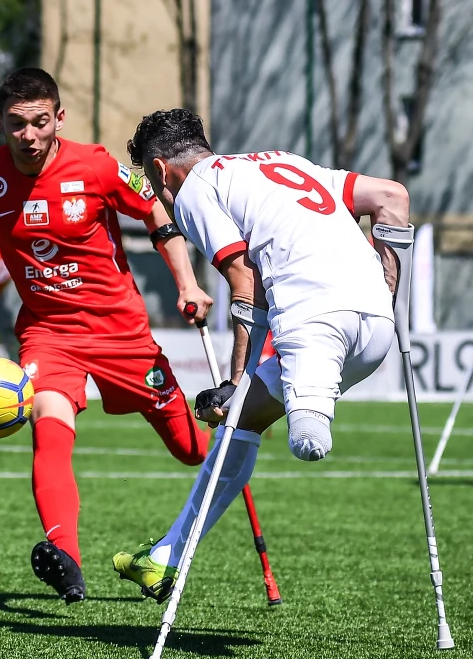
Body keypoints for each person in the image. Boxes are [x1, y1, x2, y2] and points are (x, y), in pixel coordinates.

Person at [0, 69, 214, 603]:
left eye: (40, 122)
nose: (29, 135)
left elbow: (157, 213)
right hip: (48, 333)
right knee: (48, 421)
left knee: (191, 450)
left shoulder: (97, 165)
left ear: (59, 118)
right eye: (16, 124)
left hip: (122, 332)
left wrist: (188, 284)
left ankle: (230, 441)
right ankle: (65, 558)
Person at [110, 108, 410, 602]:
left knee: (307, 438)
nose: (160, 196)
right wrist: (385, 292)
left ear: (162, 170)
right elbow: (392, 197)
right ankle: (165, 557)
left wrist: (235, 380)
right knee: (241, 423)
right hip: (376, 328)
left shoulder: (192, 193)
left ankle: (309, 413)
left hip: (313, 324)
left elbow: (243, 277)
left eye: (154, 182)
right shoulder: (284, 163)